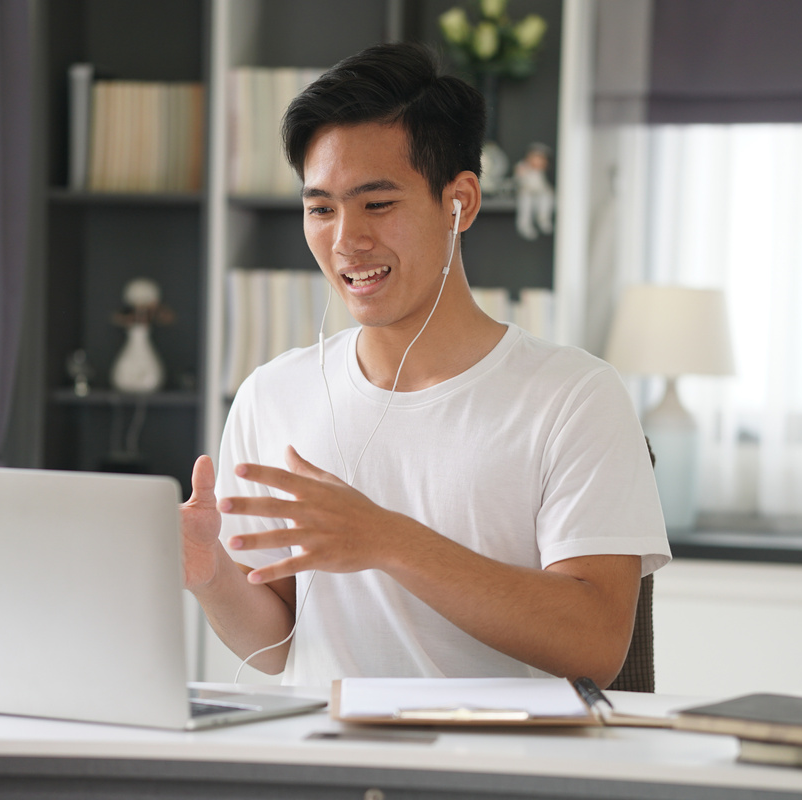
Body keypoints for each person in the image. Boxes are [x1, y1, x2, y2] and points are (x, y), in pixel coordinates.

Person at [180, 42, 669, 687]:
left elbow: (596, 646)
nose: (346, 239)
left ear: (459, 201)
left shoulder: (573, 396)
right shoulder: (270, 395)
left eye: (377, 203)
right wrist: (211, 574)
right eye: (321, 207)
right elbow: (280, 646)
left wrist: (385, 539)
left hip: (492, 775)